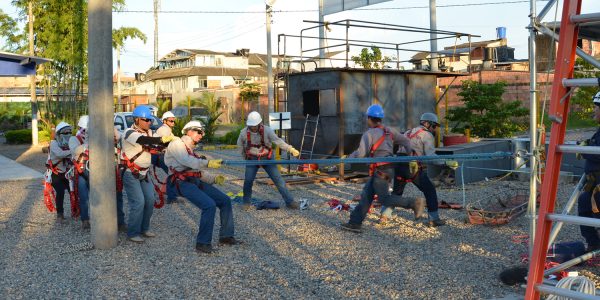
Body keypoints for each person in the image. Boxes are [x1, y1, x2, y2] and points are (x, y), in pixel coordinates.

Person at [341, 104, 423, 233]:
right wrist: (410, 156)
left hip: (380, 171)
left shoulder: (369, 134)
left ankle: (413, 203)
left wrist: (347, 158)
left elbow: (361, 154)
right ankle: (355, 222)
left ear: (369, 118)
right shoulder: (389, 131)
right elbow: (406, 141)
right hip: (387, 169)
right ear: (380, 119)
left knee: (383, 198)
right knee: (366, 196)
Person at [164, 120, 240, 253]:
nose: (202, 135)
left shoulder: (190, 149)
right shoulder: (176, 144)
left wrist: (214, 179)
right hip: (181, 183)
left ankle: (226, 236)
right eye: (199, 132)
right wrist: (208, 162)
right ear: (190, 131)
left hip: (193, 180)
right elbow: (188, 162)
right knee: (209, 205)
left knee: (225, 200)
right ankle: (202, 243)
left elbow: (198, 172)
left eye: (202, 132)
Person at [381, 112, 458, 227]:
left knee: (397, 191)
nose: (435, 129)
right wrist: (445, 162)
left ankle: (384, 215)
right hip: (412, 167)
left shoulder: (408, 132)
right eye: (434, 126)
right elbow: (430, 157)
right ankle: (434, 219)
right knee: (430, 190)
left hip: (398, 164)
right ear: (428, 124)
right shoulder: (426, 135)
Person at [119, 105, 174, 243]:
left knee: (150, 200)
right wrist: (161, 140)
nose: (149, 123)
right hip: (130, 172)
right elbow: (145, 141)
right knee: (138, 202)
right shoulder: (129, 132)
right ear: (137, 119)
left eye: (150, 120)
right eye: (146, 120)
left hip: (144, 172)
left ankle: (144, 228)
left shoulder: (150, 132)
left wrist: (171, 143)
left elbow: (158, 144)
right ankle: (133, 233)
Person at [237, 111, 301, 210]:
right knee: (248, 181)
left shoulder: (267, 131)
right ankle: (246, 202)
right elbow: (240, 146)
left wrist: (290, 149)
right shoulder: (243, 133)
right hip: (252, 159)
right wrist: (244, 157)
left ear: (259, 123)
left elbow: (278, 141)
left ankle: (290, 201)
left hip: (267, 157)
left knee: (278, 179)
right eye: (251, 125)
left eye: (255, 125)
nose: (253, 127)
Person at [577, 92, 600, 252]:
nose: (594, 110)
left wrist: (584, 149)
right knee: (585, 204)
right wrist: (586, 144)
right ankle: (594, 244)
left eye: (596, 107)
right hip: (594, 182)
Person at [46, 121, 74, 222]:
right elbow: (60, 154)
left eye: (69, 132)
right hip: (55, 173)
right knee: (60, 192)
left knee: (73, 191)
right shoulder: (53, 143)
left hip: (65, 173)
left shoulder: (68, 144)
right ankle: (60, 215)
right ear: (59, 134)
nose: (68, 135)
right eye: (65, 133)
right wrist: (74, 150)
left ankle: (75, 211)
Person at [69, 115, 90, 229]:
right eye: (85, 131)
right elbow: (75, 152)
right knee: (83, 197)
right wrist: (87, 144)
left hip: (94, 170)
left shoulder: (93, 139)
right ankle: (85, 219)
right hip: (81, 171)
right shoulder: (74, 139)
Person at [153, 111, 178, 203]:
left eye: (174, 121)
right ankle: (171, 197)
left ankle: (169, 194)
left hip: (160, 155)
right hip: (160, 155)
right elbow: (165, 143)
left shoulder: (167, 129)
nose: (173, 123)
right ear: (164, 121)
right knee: (172, 174)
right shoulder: (165, 129)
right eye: (171, 121)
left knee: (172, 174)